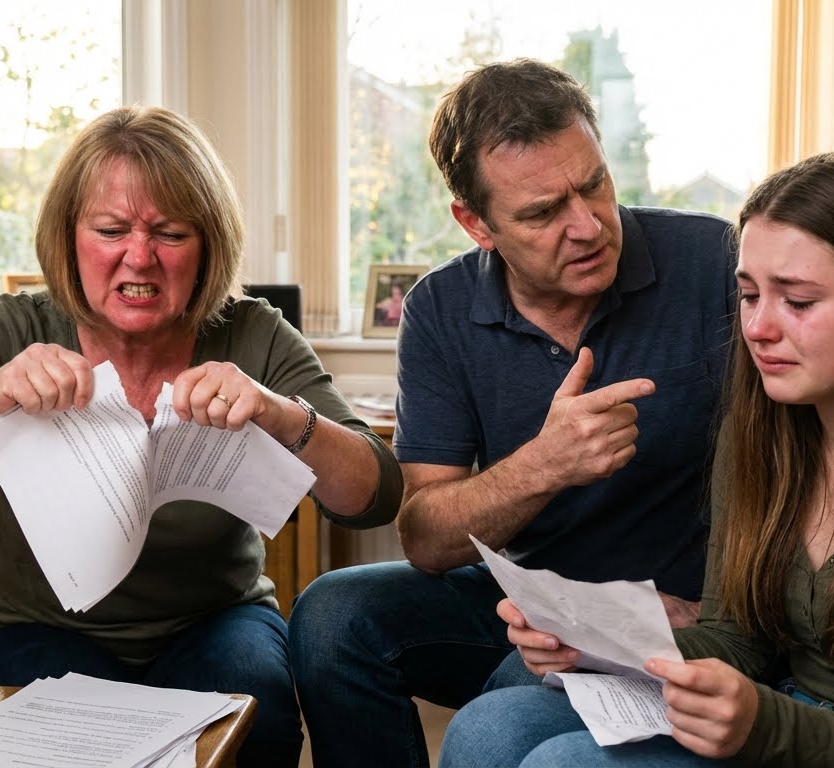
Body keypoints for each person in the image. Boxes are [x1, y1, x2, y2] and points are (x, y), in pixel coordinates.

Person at [439, 147, 834, 767]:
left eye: (798, 302)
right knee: (490, 726)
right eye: (749, 295)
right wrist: (593, 642)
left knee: (567, 764)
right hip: (799, 710)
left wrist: (762, 724)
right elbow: (734, 637)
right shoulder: (766, 426)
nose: (759, 328)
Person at [0, 105, 404, 768]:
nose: (139, 256)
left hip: (215, 619)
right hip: (39, 626)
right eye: (111, 229)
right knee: (69, 739)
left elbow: (374, 495)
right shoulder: (15, 330)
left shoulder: (252, 333)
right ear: (70, 238)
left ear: (208, 243)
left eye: (170, 233)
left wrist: (281, 414)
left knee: (254, 708)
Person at [289, 58, 737, 767]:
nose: (587, 225)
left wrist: (715, 613)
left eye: (593, 185)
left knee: (496, 724)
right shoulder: (439, 308)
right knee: (330, 613)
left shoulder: (711, 259)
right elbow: (426, 538)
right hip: (528, 602)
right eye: (541, 213)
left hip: (681, 607)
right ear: (475, 223)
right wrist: (545, 465)